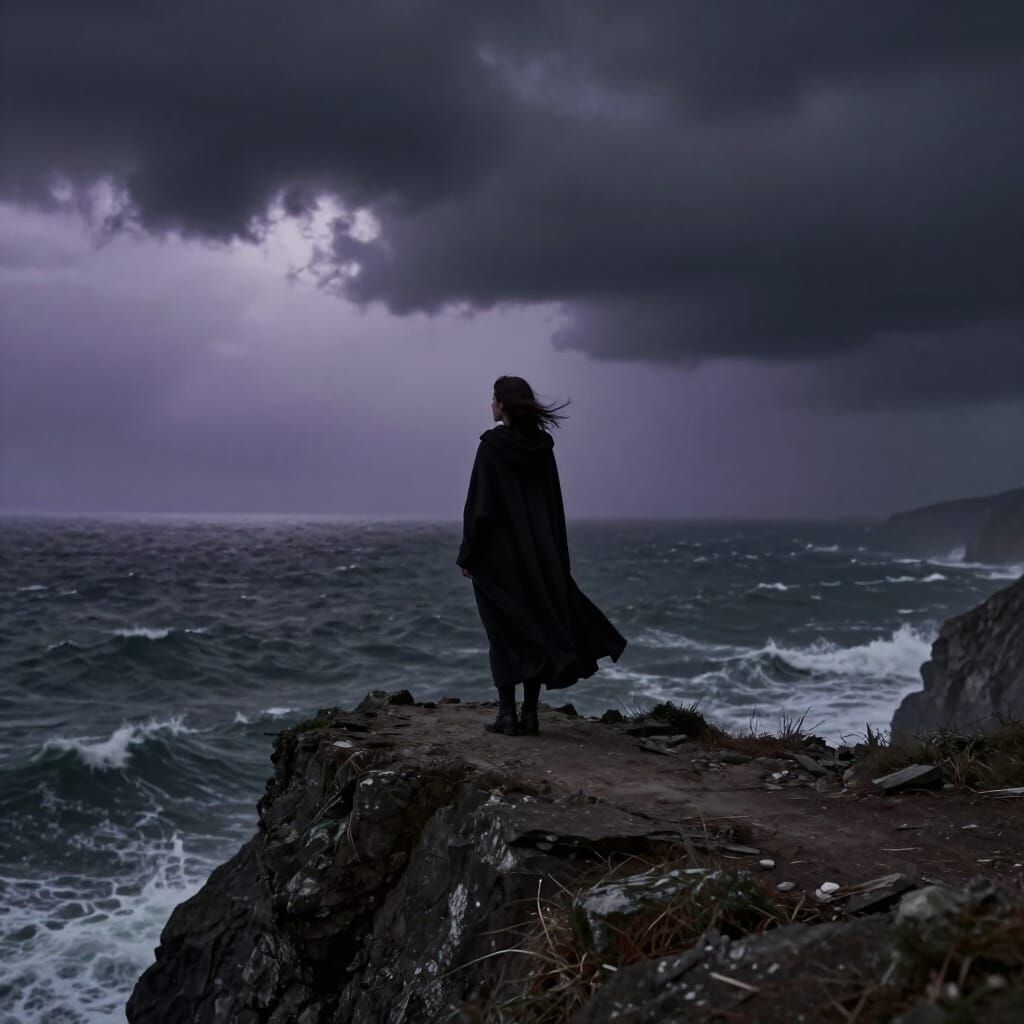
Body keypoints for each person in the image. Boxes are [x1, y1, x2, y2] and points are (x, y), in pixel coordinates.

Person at [457, 375, 627, 736]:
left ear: (503, 405)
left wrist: (468, 553)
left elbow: (480, 507)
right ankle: (530, 714)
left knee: (502, 634)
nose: (491, 405)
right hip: (539, 558)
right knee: (534, 628)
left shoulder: (491, 447)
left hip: (497, 560)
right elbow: (553, 506)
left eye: (494, 399)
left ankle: (507, 714)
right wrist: (555, 560)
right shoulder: (542, 448)